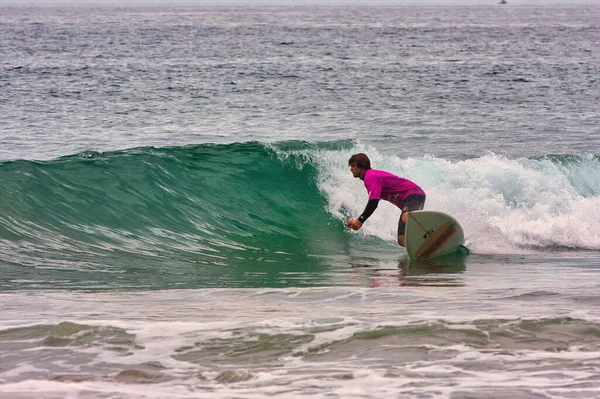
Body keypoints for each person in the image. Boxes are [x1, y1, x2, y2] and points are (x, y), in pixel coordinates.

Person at [346, 153, 426, 247]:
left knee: (406, 216)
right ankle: (421, 244)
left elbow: (373, 202)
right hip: (411, 198)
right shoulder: (370, 177)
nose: (351, 169)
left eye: (353, 166)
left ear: (362, 166)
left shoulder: (370, 176)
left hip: (414, 194)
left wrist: (360, 220)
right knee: (401, 240)